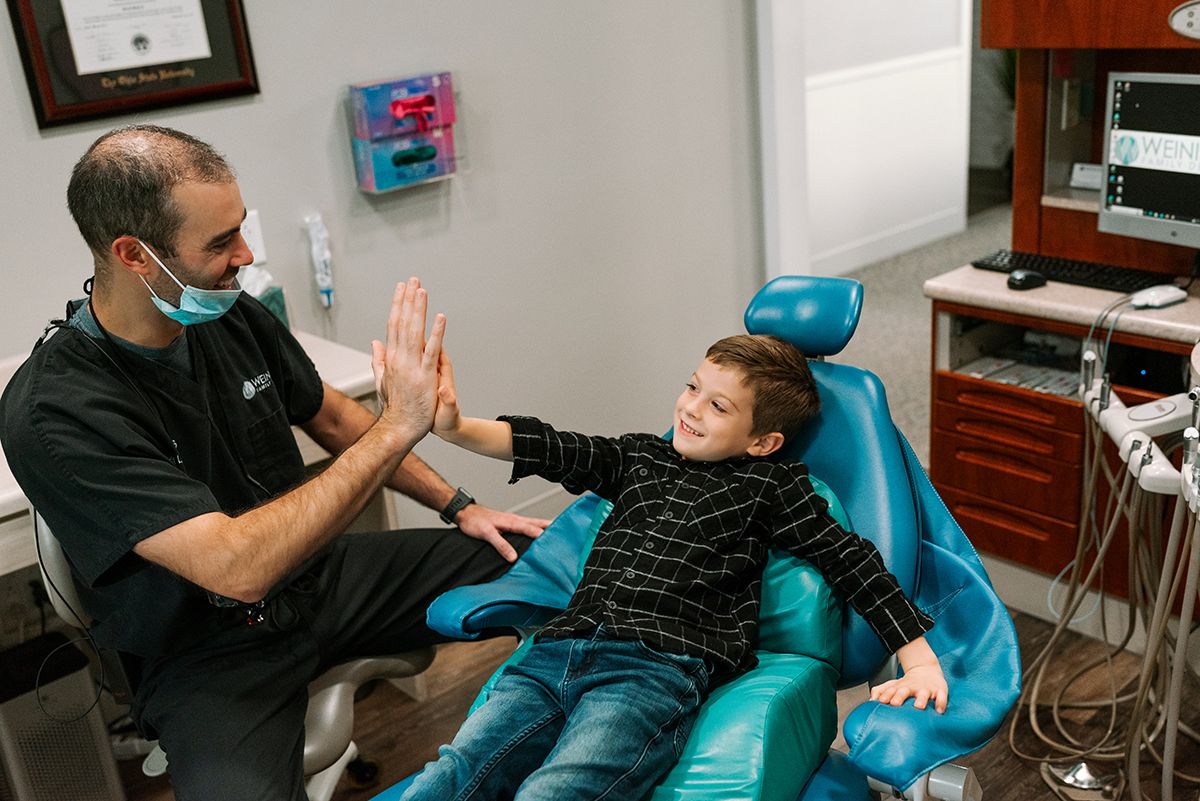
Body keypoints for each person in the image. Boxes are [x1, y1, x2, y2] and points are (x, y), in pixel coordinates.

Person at [0, 125, 548, 801]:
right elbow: (238, 569)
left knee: (566, 570)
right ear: (134, 255)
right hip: (205, 650)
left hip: (318, 580)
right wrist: (399, 426)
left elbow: (334, 415)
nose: (246, 253)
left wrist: (461, 506)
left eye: (240, 228)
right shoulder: (55, 411)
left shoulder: (228, 317)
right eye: (221, 241)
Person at [400, 333, 949, 801]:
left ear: (764, 442)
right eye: (693, 387)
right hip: (555, 650)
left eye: (719, 407)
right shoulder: (640, 456)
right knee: (456, 773)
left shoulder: (772, 488)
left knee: (557, 790)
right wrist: (453, 427)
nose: (690, 408)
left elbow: (849, 559)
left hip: (651, 671)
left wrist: (917, 659)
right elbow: (554, 447)